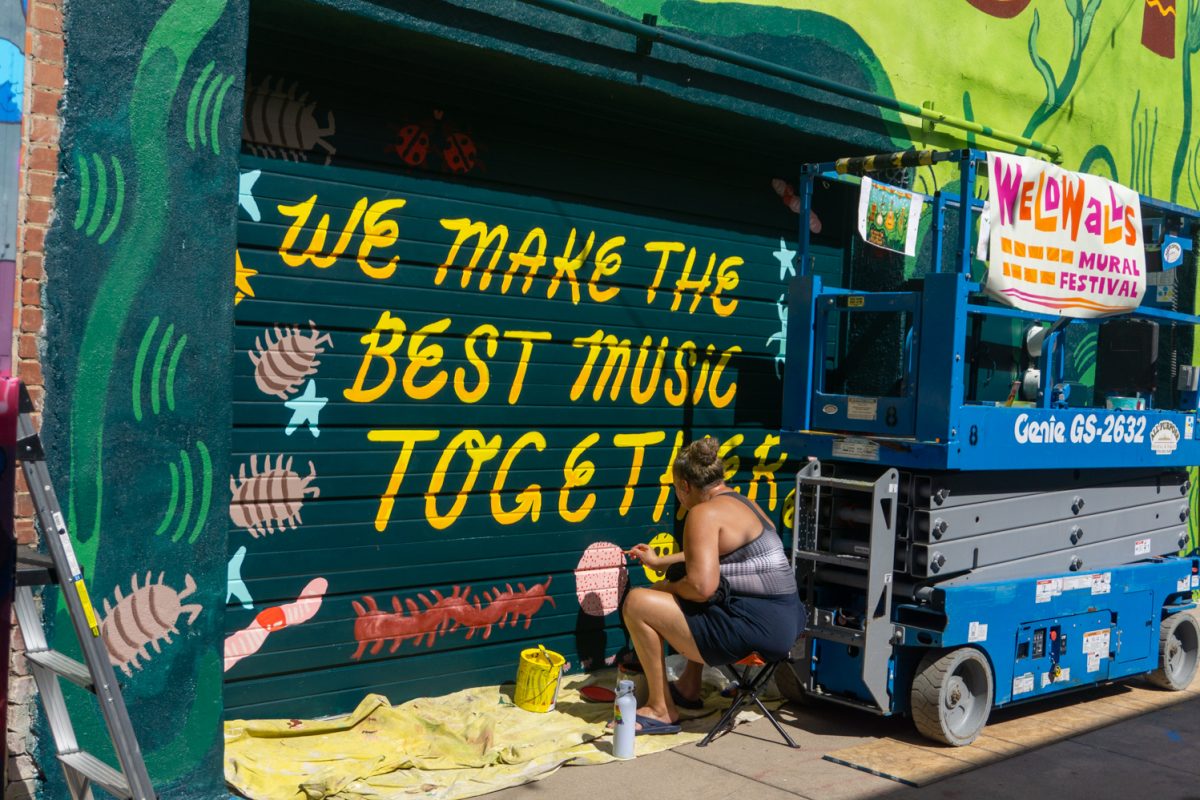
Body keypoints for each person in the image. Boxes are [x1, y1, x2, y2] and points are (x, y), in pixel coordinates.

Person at [618, 436, 803, 734]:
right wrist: (659, 562)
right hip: (785, 623)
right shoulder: (743, 503)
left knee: (638, 602)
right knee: (690, 583)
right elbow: (706, 553)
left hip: (758, 630)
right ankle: (688, 688)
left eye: (675, 489)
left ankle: (661, 709)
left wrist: (663, 589)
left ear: (685, 486)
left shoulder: (703, 513)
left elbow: (701, 587)